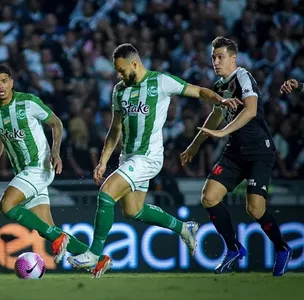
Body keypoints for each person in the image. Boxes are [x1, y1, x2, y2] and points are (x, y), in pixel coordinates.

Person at [67, 43, 242, 275]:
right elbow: (114, 129)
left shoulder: (160, 82)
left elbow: (198, 91)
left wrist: (219, 101)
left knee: (106, 193)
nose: (118, 75)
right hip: (128, 157)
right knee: (133, 210)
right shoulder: (120, 89)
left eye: (121, 70)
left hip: (148, 157)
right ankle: (183, 228)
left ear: (135, 64)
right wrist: (103, 160)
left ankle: (94, 255)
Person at [0, 64, 110, 278]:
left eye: (4, 80)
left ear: (11, 82)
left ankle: (62, 240)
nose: (0, 85)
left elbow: (56, 123)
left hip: (39, 167)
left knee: (6, 205)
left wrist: (56, 152)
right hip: (23, 172)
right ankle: (97, 260)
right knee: (47, 229)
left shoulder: (28, 102)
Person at [180, 37, 291, 276]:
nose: (216, 62)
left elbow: (250, 111)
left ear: (233, 58)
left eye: (220, 57)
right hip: (235, 151)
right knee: (209, 197)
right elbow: (215, 117)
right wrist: (194, 146)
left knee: (255, 209)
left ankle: (281, 248)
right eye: (213, 57)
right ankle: (233, 248)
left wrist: (222, 132)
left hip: (259, 150)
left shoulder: (243, 76)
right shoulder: (220, 86)